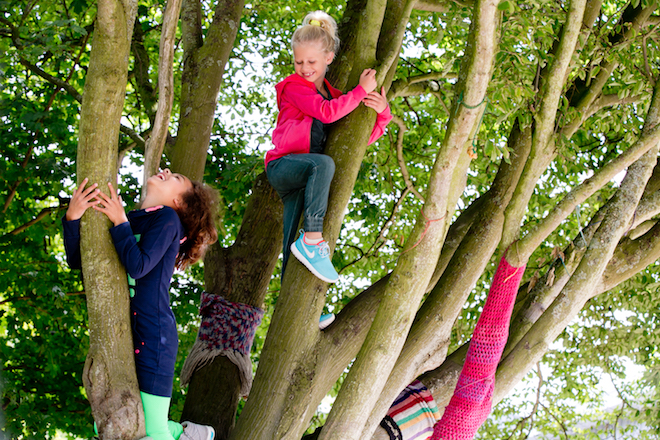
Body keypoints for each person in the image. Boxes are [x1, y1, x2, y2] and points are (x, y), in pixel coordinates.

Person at [62, 170, 219, 440]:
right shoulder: (130, 218)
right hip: (125, 334)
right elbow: (81, 262)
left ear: (179, 203)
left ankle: (180, 433)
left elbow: (139, 265)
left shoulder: (168, 219)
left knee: (150, 430)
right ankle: (184, 434)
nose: (166, 171)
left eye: (176, 178)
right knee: (110, 421)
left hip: (154, 337)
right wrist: (72, 218)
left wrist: (119, 220)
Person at [266, 10, 392, 283]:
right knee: (324, 164)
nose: (304, 67)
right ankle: (312, 239)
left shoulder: (337, 98)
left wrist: (383, 114)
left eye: (311, 61)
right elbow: (326, 113)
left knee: (291, 247)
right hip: (284, 166)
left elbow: (358, 140)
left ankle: (298, 308)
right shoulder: (294, 87)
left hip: (308, 180)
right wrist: (360, 91)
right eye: (299, 61)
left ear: (328, 58)